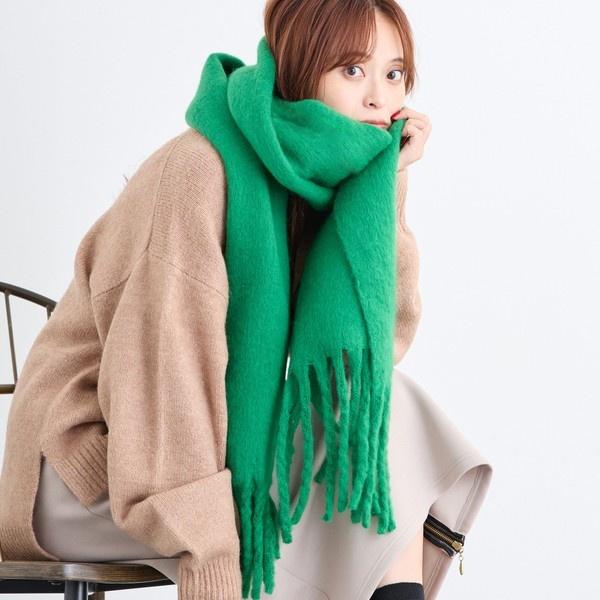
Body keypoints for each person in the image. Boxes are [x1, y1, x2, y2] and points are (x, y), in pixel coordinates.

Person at [0, 2, 493, 600]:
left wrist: (384, 185)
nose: (378, 99)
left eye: (394, 75)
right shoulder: (196, 171)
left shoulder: (326, 184)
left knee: (382, 410)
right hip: (89, 478)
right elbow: (167, 386)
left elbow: (375, 351)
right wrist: (212, 563)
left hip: (211, 455)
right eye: (352, 70)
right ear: (300, 69)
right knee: (388, 434)